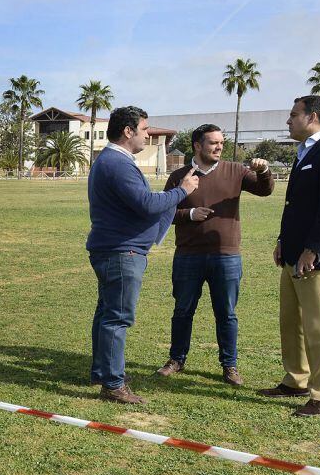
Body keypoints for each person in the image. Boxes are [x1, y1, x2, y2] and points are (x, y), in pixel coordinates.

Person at [87, 106, 199, 404]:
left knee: (106, 313)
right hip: (122, 251)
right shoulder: (117, 163)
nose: (148, 134)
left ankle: (103, 372)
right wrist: (182, 190)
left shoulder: (110, 160)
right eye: (145, 129)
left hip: (113, 248)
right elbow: (146, 203)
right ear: (128, 131)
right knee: (117, 318)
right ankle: (113, 384)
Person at [156, 124, 274, 386]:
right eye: (213, 143)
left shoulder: (236, 171)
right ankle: (176, 359)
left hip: (226, 256)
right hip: (188, 256)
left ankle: (229, 366)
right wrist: (189, 214)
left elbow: (265, 190)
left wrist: (264, 170)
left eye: (221, 142)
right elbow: (163, 212)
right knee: (183, 310)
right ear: (198, 145)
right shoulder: (179, 176)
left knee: (227, 313)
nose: (219, 147)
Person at [257, 95, 320, 417]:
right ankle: (295, 379)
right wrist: (284, 241)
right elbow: (295, 205)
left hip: (315, 257)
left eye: (293, 115)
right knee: (290, 321)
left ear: (311, 117)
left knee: (317, 325)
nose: (288, 121)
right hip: (293, 252)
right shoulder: (304, 152)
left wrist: (314, 249)